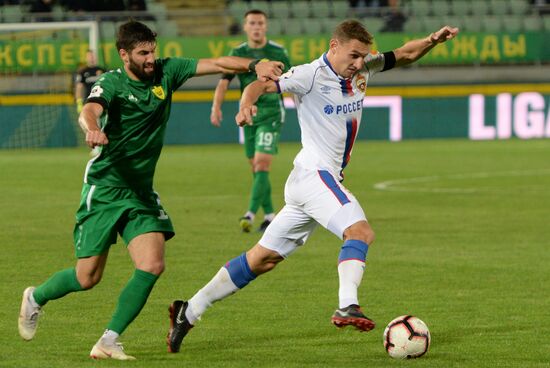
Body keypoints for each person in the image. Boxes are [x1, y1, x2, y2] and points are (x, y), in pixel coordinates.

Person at [166, 20, 458, 353]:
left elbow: (405, 54)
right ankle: (347, 304)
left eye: (364, 56)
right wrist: (246, 103)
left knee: (261, 259)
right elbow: (259, 85)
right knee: (359, 232)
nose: (360, 62)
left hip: (313, 183)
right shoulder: (309, 74)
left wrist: (433, 40)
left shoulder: (363, 69)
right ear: (334, 46)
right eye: (354, 55)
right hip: (314, 175)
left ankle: (188, 310)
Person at [17, 20, 283, 361]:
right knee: (87, 277)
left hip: (141, 192)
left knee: (153, 264)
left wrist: (253, 65)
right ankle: (35, 297)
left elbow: (216, 64)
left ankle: (108, 340)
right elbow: (89, 110)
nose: (150, 59)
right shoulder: (111, 83)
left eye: (152, 51)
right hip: (105, 188)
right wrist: (93, 129)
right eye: (142, 53)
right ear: (123, 53)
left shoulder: (166, 72)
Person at [210, 9, 291, 233]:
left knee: (262, 164)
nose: (256, 27)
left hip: (272, 112)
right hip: (248, 115)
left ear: (265, 26)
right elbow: (224, 81)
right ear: (245, 27)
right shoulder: (238, 53)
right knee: (255, 168)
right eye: (252, 23)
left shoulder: (278, 52)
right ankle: (271, 216)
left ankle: (250, 213)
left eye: (260, 23)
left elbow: (291, 82)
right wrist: (216, 106)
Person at [74, 50, 106, 114]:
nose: (91, 58)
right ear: (86, 58)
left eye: (93, 56)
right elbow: (79, 87)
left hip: (102, 100)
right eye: (89, 56)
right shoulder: (82, 72)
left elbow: (108, 85)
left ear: (96, 57)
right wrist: (79, 103)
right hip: (89, 101)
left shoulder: (102, 70)